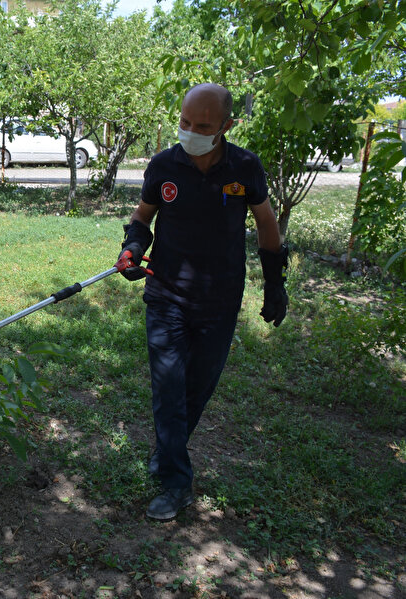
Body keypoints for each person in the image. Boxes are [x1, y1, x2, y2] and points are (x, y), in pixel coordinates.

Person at [118, 83, 288, 520]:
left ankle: (167, 451)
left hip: (220, 298)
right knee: (168, 388)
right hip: (166, 295)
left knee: (196, 389)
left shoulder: (245, 167)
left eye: (203, 126)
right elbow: (142, 217)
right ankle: (176, 482)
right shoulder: (164, 165)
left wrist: (274, 283)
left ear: (226, 126)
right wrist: (132, 248)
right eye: (184, 122)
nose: (190, 131)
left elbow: (266, 223)